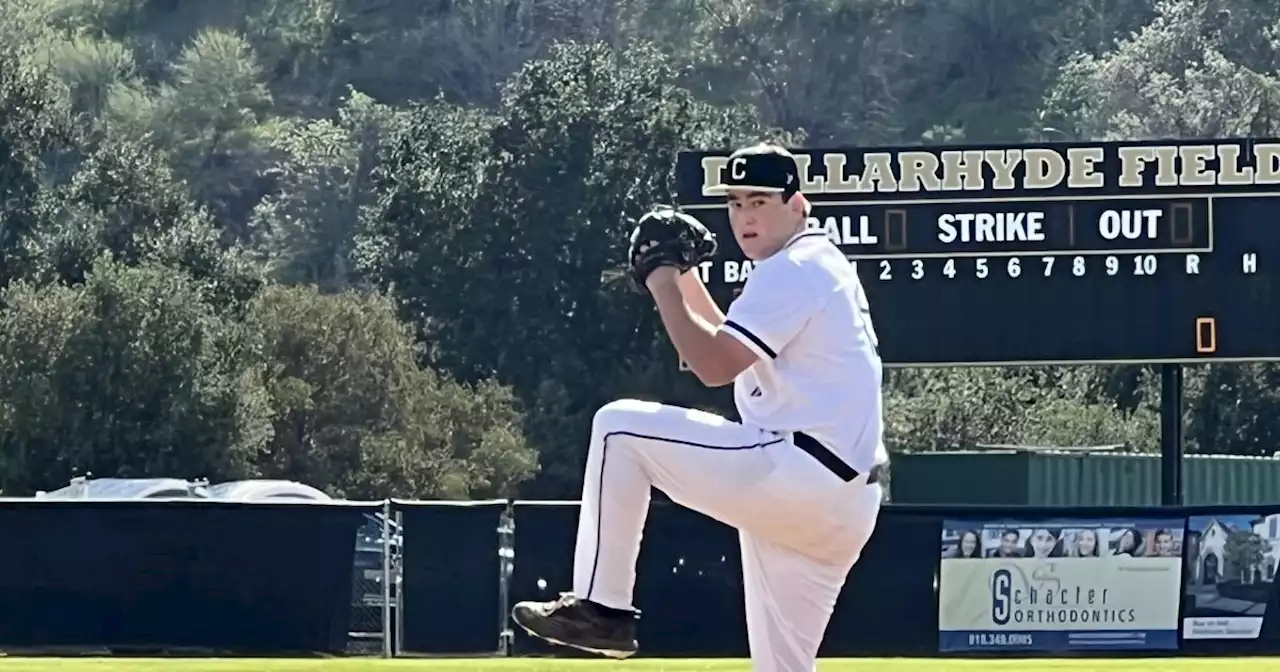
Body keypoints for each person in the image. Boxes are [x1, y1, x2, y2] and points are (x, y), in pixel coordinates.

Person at [510, 142, 889, 671]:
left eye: (760, 200)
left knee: (618, 431)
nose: (745, 216)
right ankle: (602, 609)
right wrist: (686, 275)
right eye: (735, 203)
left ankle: (602, 608)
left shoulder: (796, 269)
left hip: (798, 472)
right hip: (842, 504)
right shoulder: (814, 263)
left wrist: (662, 278)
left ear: (798, 203)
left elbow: (712, 365)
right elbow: (729, 344)